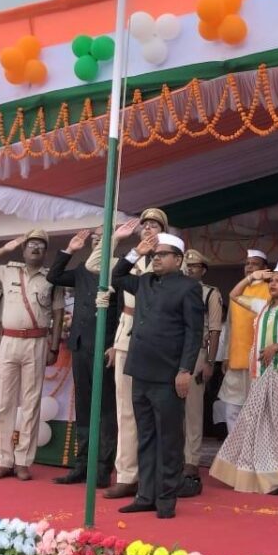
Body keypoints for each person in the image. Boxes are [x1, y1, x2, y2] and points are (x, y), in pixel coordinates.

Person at [112, 232, 204, 518]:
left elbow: (193, 333)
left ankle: (165, 499)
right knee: (146, 436)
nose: (156, 259)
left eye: (162, 254)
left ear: (178, 259)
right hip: (140, 370)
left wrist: (185, 369)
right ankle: (145, 495)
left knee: (169, 440)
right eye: (154, 255)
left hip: (168, 374)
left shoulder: (188, 288)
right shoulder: (145, 281)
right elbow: (117, 276)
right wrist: (136, 252)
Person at [210, 263, 278, 494]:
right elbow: (234, 295)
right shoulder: (261, 306)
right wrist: (253, 278)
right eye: (271, 281)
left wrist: (276, 347)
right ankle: (252, 472)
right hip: (258, 374)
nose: (273, 284)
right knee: (254, 423)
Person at [85, 209, 166, 499]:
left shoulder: (169, 261)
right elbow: (94, 264)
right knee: (125, 410)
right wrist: (115, 239)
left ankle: (153, 476)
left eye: (154, 225)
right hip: (127, 335)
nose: (148, 229)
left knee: (156, 411)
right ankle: (127, 475)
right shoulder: (129, 260)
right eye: (145, 225)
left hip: (157, 338)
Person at [0, 230, 64, 481]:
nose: (35, 248)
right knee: (5, 402)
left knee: (31, 402)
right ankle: (4, 460)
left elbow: (58, 316)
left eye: (40, 245)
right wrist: (5, 248)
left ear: (46, 252)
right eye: (31, 244)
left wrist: (54, 347)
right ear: (23, 250)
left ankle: (23, 461)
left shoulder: (51, 278)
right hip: (10, 340)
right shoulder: (7, 271)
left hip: (37, 341)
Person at [46, 227, 121, 488]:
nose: (98, 243)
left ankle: (102, 469)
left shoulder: (120, 269)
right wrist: (69, 250)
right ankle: (82, 465)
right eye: (95, 240)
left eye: (103, 239)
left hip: (105, 347)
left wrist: (115, 344)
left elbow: (122, 311)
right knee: (84, 406)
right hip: (80, 345)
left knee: (106, 409)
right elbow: (54, 276)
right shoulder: (82, 270)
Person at [180, 248, 223, 497]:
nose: (190, 270)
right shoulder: (176, 289)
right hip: (174, 353)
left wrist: (210, 361)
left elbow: (215, 330)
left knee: (193, 410)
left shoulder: (210, 294)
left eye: (194, 266)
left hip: (197, 352)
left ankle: (191, 460)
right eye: (187, 266)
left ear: (203, 270)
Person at [218, 250, 271, 433]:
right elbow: (230, 326)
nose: (249, 267)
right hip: (236, 359)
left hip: (260, 361)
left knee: (257, 409)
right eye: (247, 264)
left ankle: (254, 446)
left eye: (254, 264)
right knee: (232, 407)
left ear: (265, 268)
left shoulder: (270, 290)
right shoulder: (238, 291)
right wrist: (226, 356)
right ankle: (236, 447)